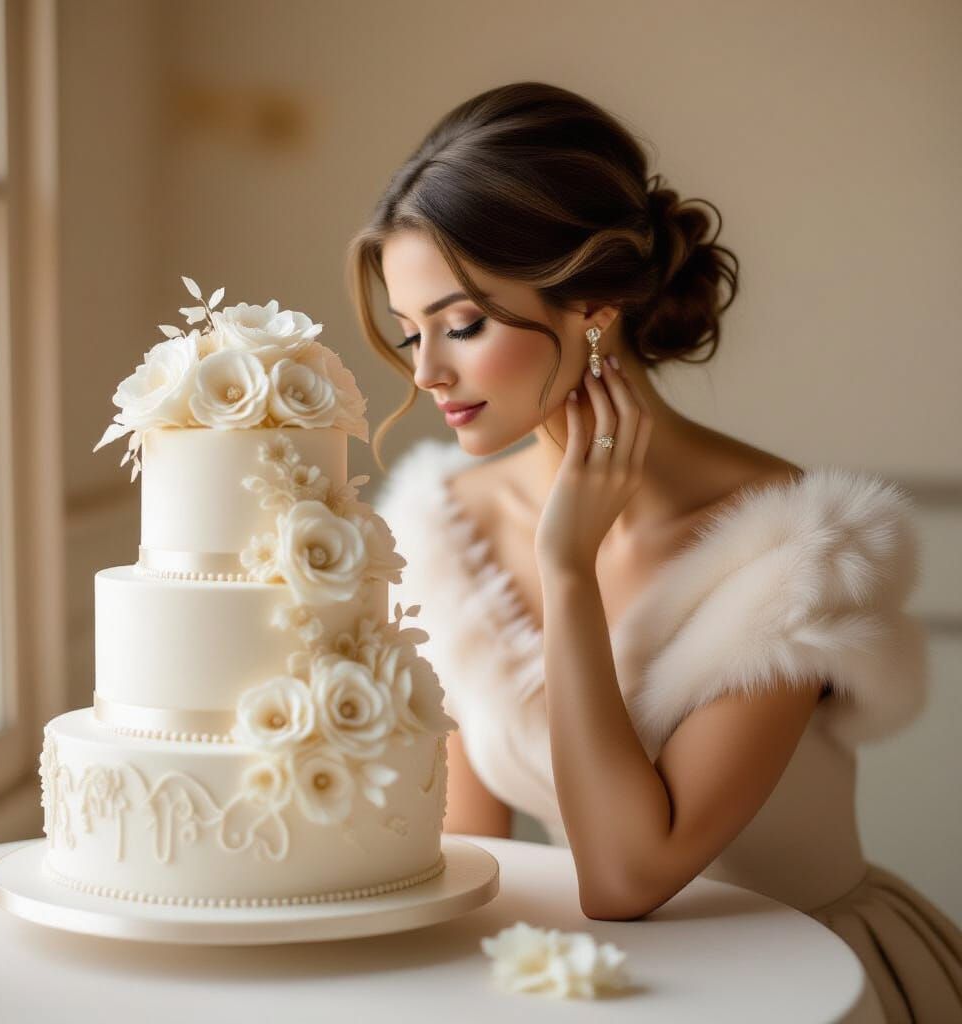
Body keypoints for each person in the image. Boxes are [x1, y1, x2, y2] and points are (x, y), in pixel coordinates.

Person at [346, 81, 962, 1021]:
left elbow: (629, 874)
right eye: (411, 333)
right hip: (606, 991)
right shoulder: (449, 531)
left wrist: (567, 569)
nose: (427, 373)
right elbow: (471, 860)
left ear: (593, 304)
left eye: (463, 325)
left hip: (813, 986)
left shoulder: (793, 543)